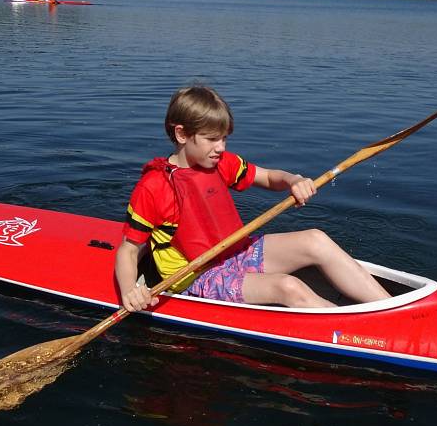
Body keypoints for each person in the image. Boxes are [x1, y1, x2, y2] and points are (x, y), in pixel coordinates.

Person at [115, 85, 391, 312]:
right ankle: (358, 331)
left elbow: (270, 177)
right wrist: (131, 291)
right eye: (212, 139)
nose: (221, 147)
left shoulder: (221, 163)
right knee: (287, 286)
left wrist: (293, 180)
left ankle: (389, 310)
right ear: (182, 134)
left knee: (315, 239)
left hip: (237, 252)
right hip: (198, 276)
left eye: (224, 138)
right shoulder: (154, 186)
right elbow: (129, 250)